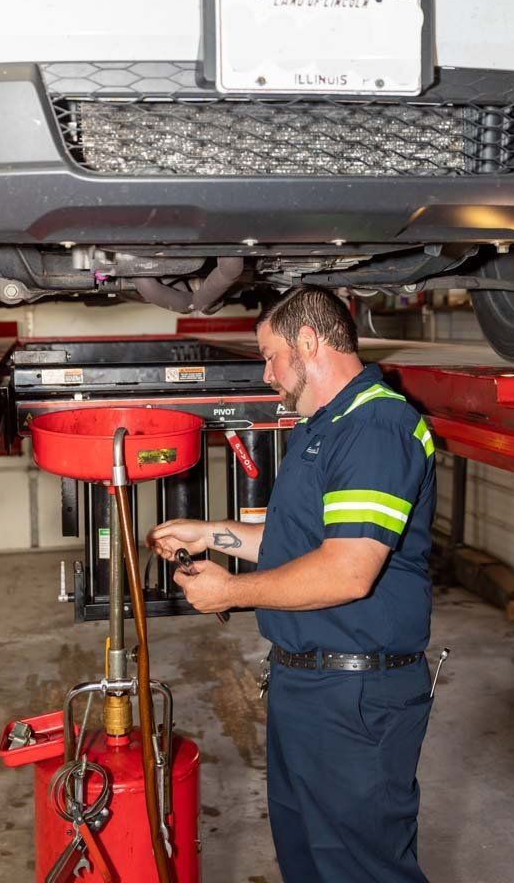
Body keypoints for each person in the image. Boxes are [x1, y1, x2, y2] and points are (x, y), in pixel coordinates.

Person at [149, 285, 436, 883]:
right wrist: (210, 534)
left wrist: (231, 593)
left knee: (360, 869)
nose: (267, 373)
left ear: (308, 342)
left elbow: (347, 571)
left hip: (355, 697)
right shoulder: (322, 426)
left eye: (270, 356)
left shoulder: (377, 426)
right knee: (307, 859)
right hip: (306, 685)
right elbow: (294, 547)